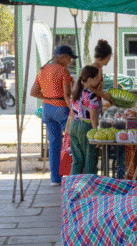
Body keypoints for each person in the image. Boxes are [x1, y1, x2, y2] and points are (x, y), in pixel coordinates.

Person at [30, 45, 75, 186]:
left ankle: (55, 179)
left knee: (54, 143)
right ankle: (69, 176)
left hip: (47, 108)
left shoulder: (42, 70)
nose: (70, 62)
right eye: (69, 58)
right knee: (70, 142)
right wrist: (74, 111)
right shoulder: (63, 71)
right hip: (61, 108)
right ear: (62, 57)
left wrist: (49, 97)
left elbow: (33, 92)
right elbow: (67, 96)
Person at [68, 65, 101, 175]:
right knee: (90, 159)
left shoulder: (75, 93)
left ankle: (73, 187)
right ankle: (89, 188)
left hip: (74, 126)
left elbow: (72, 114)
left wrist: (68, 131)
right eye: (97, 78)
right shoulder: (91, 95)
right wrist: (96, 133)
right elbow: (93, 117)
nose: (98, 81)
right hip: (86, 127)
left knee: (77, 160)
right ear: (90, 80)